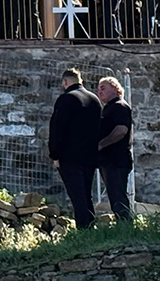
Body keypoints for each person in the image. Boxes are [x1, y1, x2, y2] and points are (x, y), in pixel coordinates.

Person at [49, 68, 102, 229]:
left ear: (65, 82)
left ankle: (83, 230)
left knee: (77, 196)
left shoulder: (66, 99)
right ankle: (91, 227)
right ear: (81, 81)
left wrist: (55, 155)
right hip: (90, 155)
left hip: (69, 156)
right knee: (86, 194)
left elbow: (58, 129)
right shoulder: (94, 100)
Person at [95, 76, 134, 223]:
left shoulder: (119, 106)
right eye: (98, 89)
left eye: (103, 88)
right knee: (115, 196)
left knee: (118, 196)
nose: (99, 91)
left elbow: (121, 131)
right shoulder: (109, 108)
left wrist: (101, 144)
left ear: (115, 89)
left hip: (116, 160)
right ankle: (123, 224)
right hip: (109, 160)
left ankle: (126, 225)